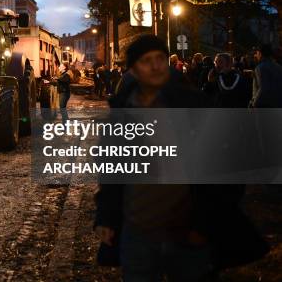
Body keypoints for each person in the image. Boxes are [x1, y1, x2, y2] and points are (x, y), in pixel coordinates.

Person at [95, 35, 268, 281]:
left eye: (160, 59)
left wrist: (203, 225)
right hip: (138, 233)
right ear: (133, 69)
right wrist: (106, 217)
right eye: (146, 61)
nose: (155, 66)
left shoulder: (194, 106)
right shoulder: (122, 115)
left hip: (185, 232)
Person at [250, 43, 282, 108]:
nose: (255, 55)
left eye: (257, 53)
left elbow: (263, 88)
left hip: (264, 105)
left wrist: (254, 103)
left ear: (261, 53)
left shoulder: (260, 68)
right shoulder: (278, 67)